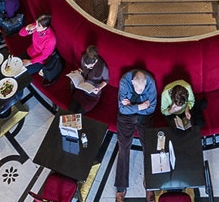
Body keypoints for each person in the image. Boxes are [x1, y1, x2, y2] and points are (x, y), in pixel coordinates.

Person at [113, 69, 158, 201]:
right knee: (123, 148)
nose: (140, 91)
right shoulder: (124, 82)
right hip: (127, 117)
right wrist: (140, 106)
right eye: (137, 88)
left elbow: (151, 108)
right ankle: (121, 187)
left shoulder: (150, 83)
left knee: (149, 148)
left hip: (145, 117)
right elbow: (122, 109)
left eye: (142, 89)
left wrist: (132, 106)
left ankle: (150, 184)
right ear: (132, 83)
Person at [66, 45, 109, 112]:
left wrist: (99, 88)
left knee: (79, 113)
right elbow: (82, 70)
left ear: (95, 61)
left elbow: (106, 80)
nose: (87, 68)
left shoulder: (103, 68)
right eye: (85, 66)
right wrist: (77, 71)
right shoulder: (84, 58)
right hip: (82, 89)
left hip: (92, 94)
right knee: (71, 109)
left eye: (90, 67)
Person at [18, 14, 59, 82]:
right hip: (30, 52)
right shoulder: (37, 25)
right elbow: (21, 33)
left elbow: (44, 56)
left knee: (20, 74)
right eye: (36, 23)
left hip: (38, 61)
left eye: (38, 25)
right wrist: (26, 28)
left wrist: (30, 62)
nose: (36, 26)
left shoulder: (51, 40)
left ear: (45, 27)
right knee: (14, 65)